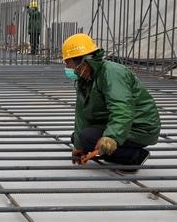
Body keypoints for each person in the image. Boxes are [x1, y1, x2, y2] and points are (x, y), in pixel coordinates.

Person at [62, 33, 160, 172]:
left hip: (139, 126)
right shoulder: (85, 78)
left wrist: (111, 136)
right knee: (79, 138)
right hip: (122, 124)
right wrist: (79, 147)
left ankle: (134, 156)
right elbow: (82, 115)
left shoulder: (111, 73)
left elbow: (122, 107)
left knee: (88, 138)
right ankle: (119, 151)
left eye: (68, 63)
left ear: (82, 60)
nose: (67, 67)